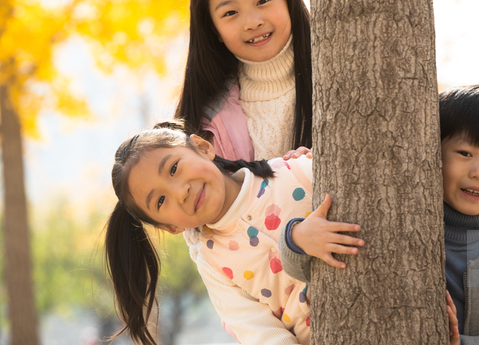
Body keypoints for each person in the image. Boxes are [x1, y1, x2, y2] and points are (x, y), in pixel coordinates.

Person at [279, 85, 479, 344]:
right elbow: (304, 269)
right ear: (429, 155)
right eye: (464, 152)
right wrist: (298, 237)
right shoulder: (392, 215)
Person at [103, 122, 361, 345]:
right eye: (160, 201)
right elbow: (257, 331)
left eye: (173, 169)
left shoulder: (290, 173)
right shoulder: (212, 262)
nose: (180, 192)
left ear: (203, 148)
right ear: (171, 228)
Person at [175, 0, 312, 162]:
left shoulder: (336, 72)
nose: (251, 22)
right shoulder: (208, 124)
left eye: (263, 0)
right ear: (214, 29)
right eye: (230, 13)